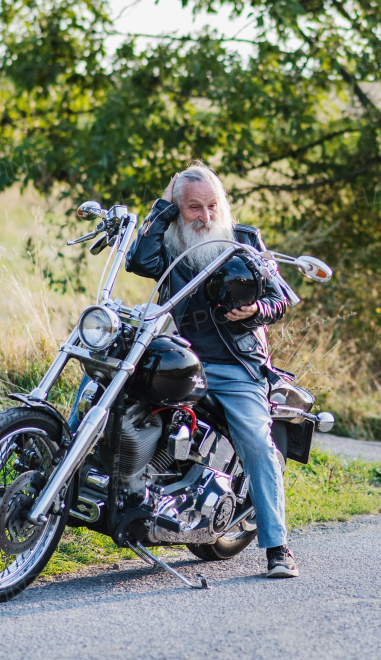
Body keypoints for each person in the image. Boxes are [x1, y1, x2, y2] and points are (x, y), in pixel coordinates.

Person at [125, 162, 298, 579]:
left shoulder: (243, 240)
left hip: (236, 366)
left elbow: (282, 298)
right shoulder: (168, 243)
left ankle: (278, 547)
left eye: (211, 206)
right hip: (183, 360)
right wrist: (163, 213)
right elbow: (135, 261)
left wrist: (256, 309)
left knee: (257, 441)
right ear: (177, 209)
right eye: (192, 208)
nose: (204, 217)